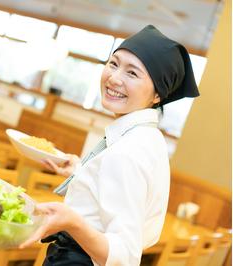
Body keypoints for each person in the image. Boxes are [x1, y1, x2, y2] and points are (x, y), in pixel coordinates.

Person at [19, 25, 200, 266]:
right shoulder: (148, 137)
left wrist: (72, 222)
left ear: (158, 95)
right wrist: (81, 171)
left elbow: (125, 256)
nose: (114, 78)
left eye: (132, 73)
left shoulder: (127, 152)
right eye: (113, 64)